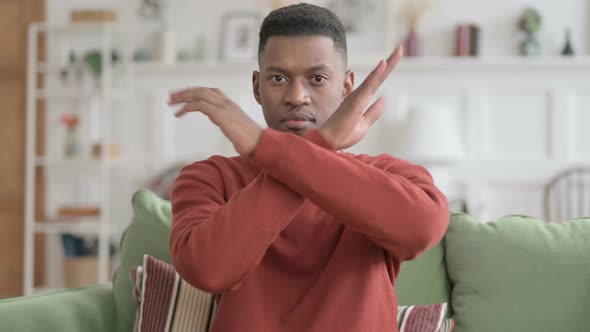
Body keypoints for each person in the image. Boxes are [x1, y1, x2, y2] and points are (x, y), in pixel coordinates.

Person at [168, 3, 449, 332]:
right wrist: (323, 143)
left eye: (317, 78)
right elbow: (208, 270)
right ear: (257, 87)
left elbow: (422, 228)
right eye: (278, 78)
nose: (297, 96)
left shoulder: (388, 175)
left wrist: (266, 148)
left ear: (346, 87)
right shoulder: (209, 177)